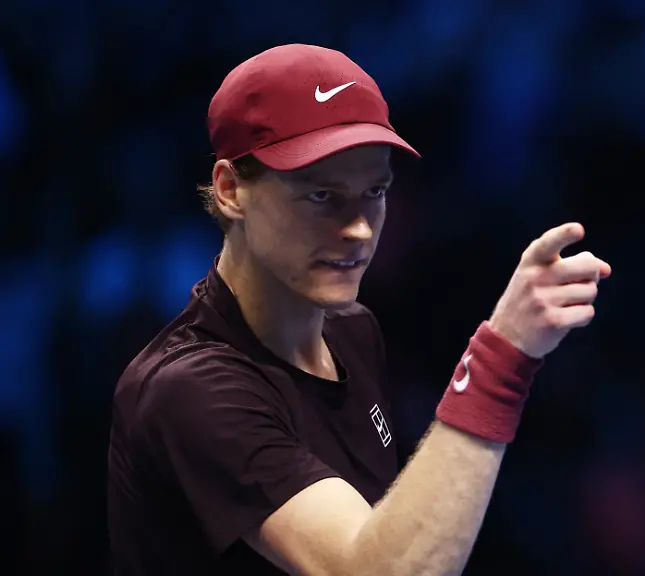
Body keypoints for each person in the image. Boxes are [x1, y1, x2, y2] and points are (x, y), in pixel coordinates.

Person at [106, 43, 611, 575]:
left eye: (374, 191)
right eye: (322, 196)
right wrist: (502, 356)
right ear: (231, 190)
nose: (360, 229)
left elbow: (394, 530)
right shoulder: (189, 389)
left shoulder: (353, 331)